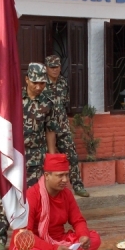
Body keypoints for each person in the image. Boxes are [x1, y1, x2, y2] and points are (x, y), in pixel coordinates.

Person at [0, 63, 59, 250]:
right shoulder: (13, 99)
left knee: (34, 198)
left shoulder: (47, 103)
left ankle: (30, 236)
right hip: (13, 155)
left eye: (42, 83)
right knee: (6, 197)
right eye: (35, 82)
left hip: (36, 157)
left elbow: (50, 131)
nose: (39, 86)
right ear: (27, 80)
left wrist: (50, 157)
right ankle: (0, 237)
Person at [12, 153, 101, 250]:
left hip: (59, 241)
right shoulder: (31, 196)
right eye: (60, 176)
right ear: (47, 175)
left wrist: (83, 236)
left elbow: (78, 220)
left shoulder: (67, 194)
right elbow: (25, 234)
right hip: (33, 244)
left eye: (66, 175)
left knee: (94, 238)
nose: (65, 180)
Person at [44, 54, 88, 198]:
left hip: (62, 127)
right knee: (44, 159)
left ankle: (78, 185)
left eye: (57, 67)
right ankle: (44, 189)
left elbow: (65, 103)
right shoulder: (42, 84)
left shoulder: (63, 83)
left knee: (72, 156)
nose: (55, 70)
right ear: (46, 68)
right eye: (52, 67)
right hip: (45, 128)